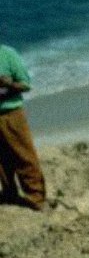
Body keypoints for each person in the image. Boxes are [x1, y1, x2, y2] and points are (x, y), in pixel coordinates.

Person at [0, 35, 46, 211]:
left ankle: (36, 198)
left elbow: (26, 85)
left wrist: (9, 83)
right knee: (2, 160)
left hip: (11, 113)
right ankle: (9, 193)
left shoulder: (8, 54)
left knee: (24, 156)